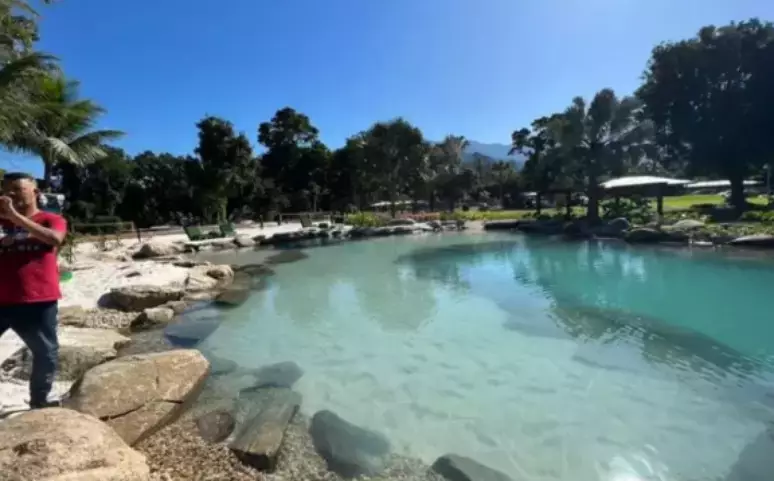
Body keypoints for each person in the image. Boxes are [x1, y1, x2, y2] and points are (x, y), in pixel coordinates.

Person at [0, 172, 67, 409]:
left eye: (18, 189)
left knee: (46, 352)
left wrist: (15, 217)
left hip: (38, 299)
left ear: (35, 192)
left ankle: (39, 400)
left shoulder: (51, 219)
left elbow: (54, 240)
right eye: (7, 190)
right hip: (2, 299)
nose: (12, 194)